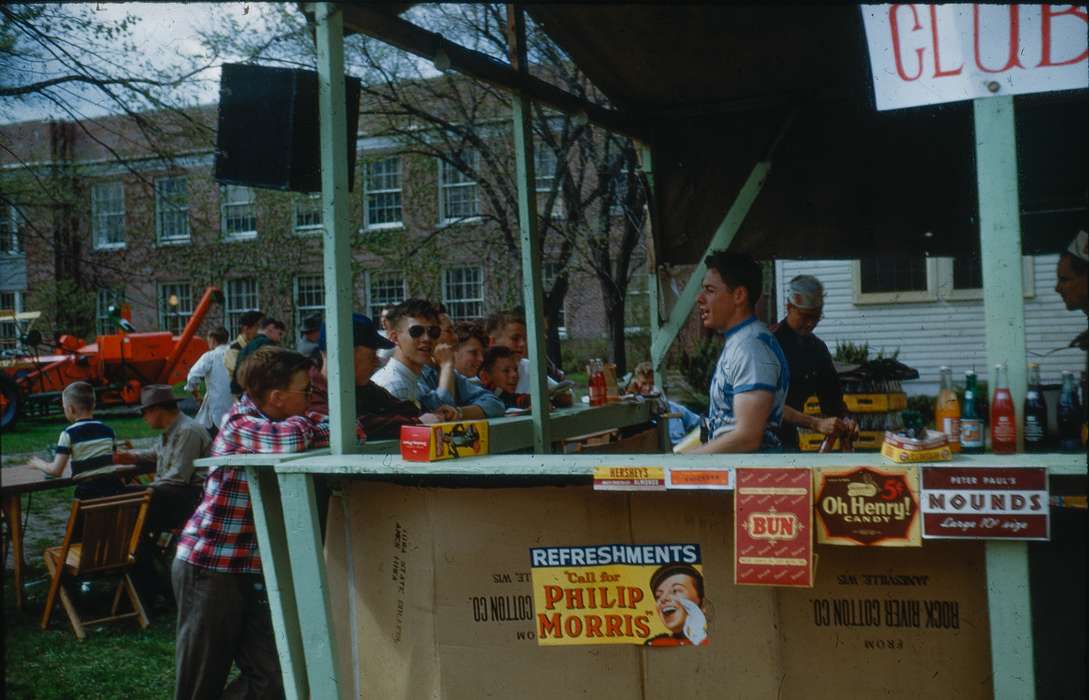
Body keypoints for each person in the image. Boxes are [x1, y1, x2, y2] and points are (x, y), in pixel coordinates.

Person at [173, 346, 329, 700]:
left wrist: (313, 424)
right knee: (200, 683)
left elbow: (351, 428)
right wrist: (314, 425)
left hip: (248, 569)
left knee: (274, 678)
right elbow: (292, 439)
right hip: (209, 566)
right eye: (306, 391)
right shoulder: (240, 425)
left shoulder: (274, 421)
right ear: (276, 397)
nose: (312, 398)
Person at [114, 384, 211, 606]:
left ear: (158, 409)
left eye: (145, 412)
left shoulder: (188, 431)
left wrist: (145, 491)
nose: (144, 418)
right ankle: (149, 586)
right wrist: (132, 457)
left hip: (188, 500)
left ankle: (146, 588)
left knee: (126, 505)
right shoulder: (171, 432)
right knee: (130, 523)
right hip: (170, 496)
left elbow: (178, 476)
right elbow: (156, 455)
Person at [684, 251, 789, 454]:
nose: (699, 298)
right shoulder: (742, 341)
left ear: (739, 295)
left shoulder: (750, 349)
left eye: (710, 290)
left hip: (751, 479)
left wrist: (687, 462)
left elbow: (747, 437)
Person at [308, 314, 455, 440]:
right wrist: (417, 422)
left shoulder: (365, 388)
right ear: (345, 354)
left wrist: (430, 414)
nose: (377, 361)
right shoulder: (307, 392)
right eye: (372, 354)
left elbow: (401, 408)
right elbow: (353, 425)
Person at [771, 275, 856, 450]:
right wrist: (815, 423)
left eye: (816, 317)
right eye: (804, 316)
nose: (810, 323)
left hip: (787, 439)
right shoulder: (768, 343)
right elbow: (765, 403)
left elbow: (832, 400)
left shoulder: (817, 349)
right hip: (758, 440)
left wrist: (846, 420)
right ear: (789, 308)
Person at [28, 381, 124, 500]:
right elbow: (111, 459)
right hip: (114, 490)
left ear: (70, 409)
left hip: (88, 494)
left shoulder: (68, 434)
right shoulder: (108, 431)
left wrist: (38, 463)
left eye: (64, 408)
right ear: (93, 405)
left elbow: (56, 471)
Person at [418, 304, 505, 419]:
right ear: (432, 334)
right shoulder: (417, 374)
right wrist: (446, 366)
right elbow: (441, 412)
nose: (455, 338)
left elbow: (495, 404)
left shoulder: (447, 373)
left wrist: (459, 412)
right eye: (449, 331)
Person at [486, 310, 573, 406]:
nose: (522, 344)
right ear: (492, 342)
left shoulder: (529, 367)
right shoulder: (478, 375)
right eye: (515, 338)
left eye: (524, 339)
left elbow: (564, 393)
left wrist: (558, 398)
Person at [371, 298, 443, 405]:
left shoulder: (413, 381)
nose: (426, 339)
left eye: (434, 332)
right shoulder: (394, 386)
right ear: (394, 337)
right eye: (416, 331)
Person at [626, 361, 701, 447]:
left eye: (651, 383)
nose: (648, 388)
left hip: (684, 450)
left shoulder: (670, 406)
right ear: (636, 384)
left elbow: (699, 422)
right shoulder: (636, 414)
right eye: (644, 384)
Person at [644, 563, 708, 647]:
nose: (663, 599)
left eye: (675, 591)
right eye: (658, 596)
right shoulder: (655, 643)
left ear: (702, 604)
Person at [185, 326, 232, 438]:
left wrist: (197, 396)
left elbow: (192, 378)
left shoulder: (210, 357)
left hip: (217, 407)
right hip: (237, 406)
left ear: (213, 340)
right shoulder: (237, 354)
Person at [231, 317, 286, 395]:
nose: (279, 339)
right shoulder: (268, 344)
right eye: (279, 334)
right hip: (259, 390)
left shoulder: (248, 346)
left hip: (243, 389)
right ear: (271, 328)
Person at [223, 310, 264, 394]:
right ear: (246, 329)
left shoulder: (259, 345)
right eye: (257, 327)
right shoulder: (234, 349)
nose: (260, 331)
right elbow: (242, 374)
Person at [479, 345, 530, 410]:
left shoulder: (515, 399)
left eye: (515, 369)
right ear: (485, 377)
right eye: (506, 371)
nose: (514, 375)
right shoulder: (480, 401)